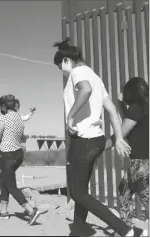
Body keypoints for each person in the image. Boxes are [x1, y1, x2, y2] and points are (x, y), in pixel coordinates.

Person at [53, 37, 146, 236]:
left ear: (66, 61)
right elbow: (112, 109)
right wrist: (119, 138)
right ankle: (78, 229)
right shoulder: (96, 77)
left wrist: (70, 115)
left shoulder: (78, 73)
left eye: (59, 66)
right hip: (96, 140)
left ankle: (124, 229)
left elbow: (85, 90)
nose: (61, 71)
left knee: (77, 192)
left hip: (83, 141)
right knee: (82, 190)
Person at [105, 77, 149, 232]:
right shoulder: (141, 108)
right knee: (124, 190)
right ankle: (126, 228)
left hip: (142, 162)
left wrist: (100, 147)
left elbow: (121, 132)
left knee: (146, 197)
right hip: (142, 161)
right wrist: (120, 103)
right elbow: (127, 118)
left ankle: (126, 229)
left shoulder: (137, 109)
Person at [0, 94, 40, 226]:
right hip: (18, 154)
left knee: (10, 185)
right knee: (3, 181)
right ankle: (3, 211)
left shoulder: (4, 117)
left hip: (7, 155)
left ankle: (31, 210)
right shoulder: (19, 117)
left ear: (3, 106)